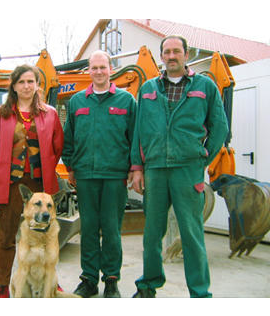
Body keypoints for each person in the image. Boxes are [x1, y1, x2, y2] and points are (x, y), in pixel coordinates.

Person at [131, 35, 229, 298]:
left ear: (186, 54)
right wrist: (137, 168)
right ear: (161, 56)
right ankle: (148, 285)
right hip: (155, 170)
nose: (171, 56)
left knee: (191, 234)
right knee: (152, 235)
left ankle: (199, 292)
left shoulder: (205, 87)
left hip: (188, 171)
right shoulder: (148, 88)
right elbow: (138, 131)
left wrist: (202, 158)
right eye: (167, 52)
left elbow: (220, 127)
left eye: (177, 51)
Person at [62, 50, 140, 298]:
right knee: (88, 228)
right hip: (85, 175)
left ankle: (111, 280)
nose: (98, 72)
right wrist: (71, 167)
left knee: (111, 229)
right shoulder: (76, 102)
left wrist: (134, 168)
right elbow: (68, 139)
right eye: (93, 68)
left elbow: (136, 137)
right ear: (89, 70)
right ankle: (88, 279)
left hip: (115, 176)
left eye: (102, 67)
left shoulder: (127, 101)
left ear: (110, 69)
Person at [0, 64, 64, 298]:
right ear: (13, 85)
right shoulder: (1, 114)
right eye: (21, 82)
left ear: (37, 85)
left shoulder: (49, 113)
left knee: (46, 234)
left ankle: (52, 280)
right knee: (6, 234)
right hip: (11, 184)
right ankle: (3, 285)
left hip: (40, 183)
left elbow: (57, 145)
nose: (26, 86)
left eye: (30, 81)